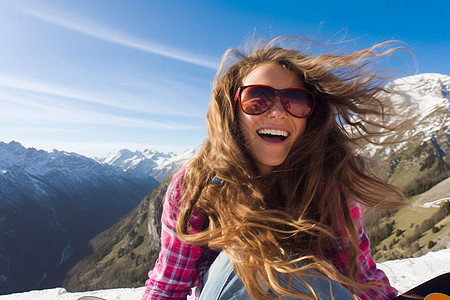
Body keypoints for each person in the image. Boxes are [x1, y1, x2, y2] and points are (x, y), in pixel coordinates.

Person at [141, 36, 411, 300]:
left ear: (310, 118)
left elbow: (360, 276)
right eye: (258, 98)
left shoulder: (327, 184)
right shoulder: (196, 184)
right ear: (232, 110)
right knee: (250, 257)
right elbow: (169, 284)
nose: (278, 112)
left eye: (296, 101)